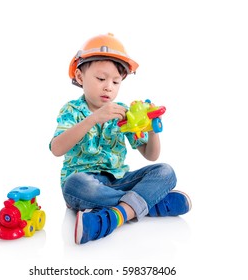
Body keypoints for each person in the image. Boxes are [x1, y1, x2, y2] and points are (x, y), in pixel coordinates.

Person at [49, 33, 191, 245]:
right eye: (101, 79)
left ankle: (116, 215)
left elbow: (151, 156)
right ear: (80, 77)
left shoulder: (123, 113)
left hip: (119, 181)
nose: (109, 87)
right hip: (86, 183)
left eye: (116, 81)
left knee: (165, 171)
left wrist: (153, 130)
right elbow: (56, 148)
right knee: (74, 184)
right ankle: (148, 203)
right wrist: (94, 119)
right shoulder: (72, 110)